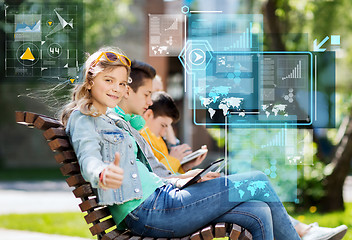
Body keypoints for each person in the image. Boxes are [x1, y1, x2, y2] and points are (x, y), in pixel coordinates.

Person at [61, 47, 303, 240]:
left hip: (163, 198)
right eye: (109, 80)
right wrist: (102, 173)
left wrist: (185, 179)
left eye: (122, 83)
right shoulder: (84, 117)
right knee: (257, 181)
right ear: (90, 80)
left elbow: (149, 172)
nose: (117, 89)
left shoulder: (114, 120)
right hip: (152, 210)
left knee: (257, 212)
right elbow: (88, 157)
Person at [149, 74, 348, 240]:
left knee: (259, 209)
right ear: (148, 113)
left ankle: (303, 231)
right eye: (149, 94)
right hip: (170, 205)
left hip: (176, 198)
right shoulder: (141, 135)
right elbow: (160, 177)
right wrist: (182, 168)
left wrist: (186, 167)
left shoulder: (152, 135)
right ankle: (303, 233)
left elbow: (164, 172)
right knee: (258, 181)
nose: (154, 98)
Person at [116, 60, 207, 172]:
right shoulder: (129, 131)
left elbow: (158, 176)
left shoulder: (139, 129)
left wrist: (185, 169)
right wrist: (176, 165)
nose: (151, 102)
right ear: (127, 91)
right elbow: (154, 174)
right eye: (147, 94)